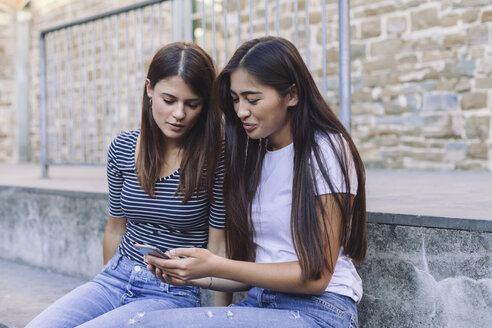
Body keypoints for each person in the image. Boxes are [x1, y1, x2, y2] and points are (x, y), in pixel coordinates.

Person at [123, 36, 368, 327]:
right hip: (260, 302)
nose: (241, 111)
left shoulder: (326, 149)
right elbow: (253, 272)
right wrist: (194, 274)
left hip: (321, 310)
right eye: (236, 99)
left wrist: (217, 264)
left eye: (253, 99)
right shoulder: (253, 156)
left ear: (292, 95)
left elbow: (316, 277)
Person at [26, 42, 229, 328]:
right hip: (115, 278)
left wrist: (222, 319)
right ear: (149, 89)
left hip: (172, 292)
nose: (179, 114)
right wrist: (107, 279)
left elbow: (219, 248)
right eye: (169, 100)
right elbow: (115, 228)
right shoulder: (123, 148)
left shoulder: (215, 157)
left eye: (192, 104)